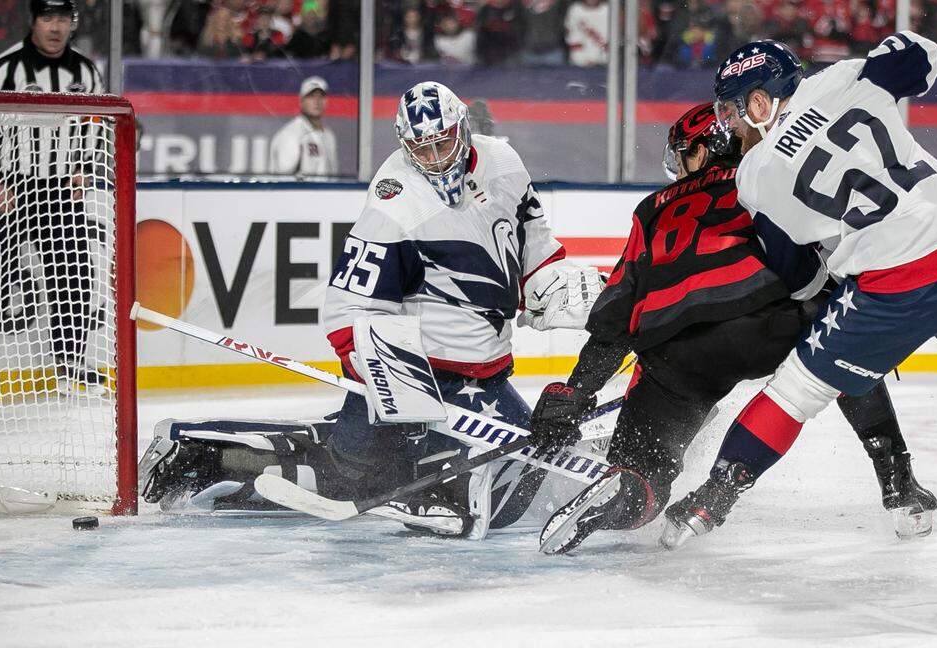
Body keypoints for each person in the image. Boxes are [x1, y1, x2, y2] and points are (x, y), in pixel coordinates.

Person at [139, 81, 602, 538]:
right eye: (422, 148)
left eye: (444, 142)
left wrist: (549, 288)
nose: (436, 158)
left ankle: (419, 480)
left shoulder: (504, 163)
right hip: (424, 371)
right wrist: (392, 383)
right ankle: (202, 456)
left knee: (518, 478)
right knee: (351, 475)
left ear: (463, 130)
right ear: (404, 144)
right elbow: (348, 307)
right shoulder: (395, 200)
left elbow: (533, 246)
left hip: (485, 376)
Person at [660, 34, 937, 550]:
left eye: (733, 113)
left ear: (760, 102)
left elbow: (801, 276)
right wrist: (882, 58)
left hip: (895, 287)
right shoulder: (844, 78)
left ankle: (709, 502)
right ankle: (898, 482)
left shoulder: (755, 177)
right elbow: (922, 59)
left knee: (794, 392)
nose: (730, 127)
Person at [529, 103, 934, 555]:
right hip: (766, 319)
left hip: (676, 353)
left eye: (684, 152)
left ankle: (624, 494)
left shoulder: (650, 209)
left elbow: (615, 316)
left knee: (644, 471)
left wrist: (576, 394)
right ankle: (899, 483)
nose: (679, 163)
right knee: (842, 349)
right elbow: (836, 250)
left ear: (705, 149)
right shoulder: (768, 175)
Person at [0, 0, 107, 393]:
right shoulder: (4, 67)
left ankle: (69, 363)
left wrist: (82, 167)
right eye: (47, 18)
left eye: (63, 18)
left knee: (76, 278)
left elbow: (95, 122)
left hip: (62, 189)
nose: (56, 27)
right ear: (33, 21)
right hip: (13, 186)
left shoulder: (86, 70)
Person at [268, 76, 339, 177]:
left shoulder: (329, 135)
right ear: (301, 101)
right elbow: (283, 180)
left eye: (321, 96)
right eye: (311, 96)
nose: (317, 101)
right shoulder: (291, 134)